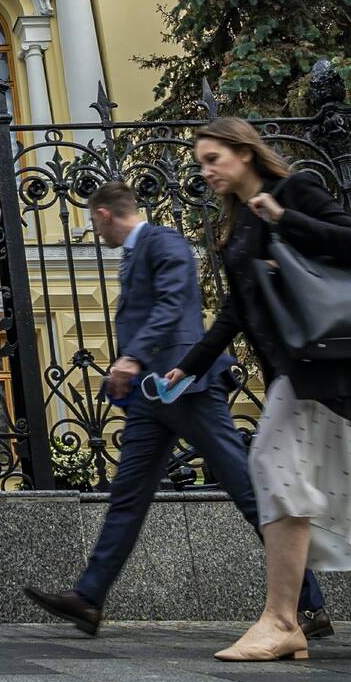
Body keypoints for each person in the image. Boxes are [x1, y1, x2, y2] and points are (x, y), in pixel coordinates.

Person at [24, 179, 329, 639]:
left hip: (186, 386)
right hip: (150, 398)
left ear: (104, 214)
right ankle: (88, 598)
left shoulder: (164, 241)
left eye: (94, 221)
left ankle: (309, 603)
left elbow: (172, 305)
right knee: (127, 497)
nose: (95, 232)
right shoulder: (135, 253)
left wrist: (132, 356)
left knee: (246, 492)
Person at [164, 117, 351, 662]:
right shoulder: (240, 221)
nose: (206, 171)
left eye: (213, 158)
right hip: (296, 374)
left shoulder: (292, 192)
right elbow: (236, 311)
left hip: (325, 368)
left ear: (245, 152)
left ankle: (283, 620)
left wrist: (285, 219)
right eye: (200, 163)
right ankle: (284, 619)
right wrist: (188, 367)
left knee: (272, 464)